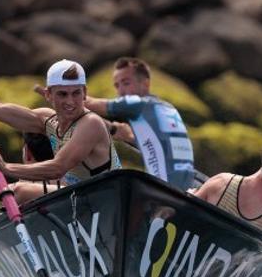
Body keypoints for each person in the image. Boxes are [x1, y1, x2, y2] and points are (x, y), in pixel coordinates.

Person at [0, 51, 120, 203]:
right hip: (82, 199)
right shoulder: (47, 120)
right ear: (48, 95)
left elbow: (57, 167)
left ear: (85, 93)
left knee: (18, 190)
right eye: (62, 94)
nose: (70, 101)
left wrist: (7, 167)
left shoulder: (91, 124)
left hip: (109, 200)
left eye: (76, 93)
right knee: (19, 188)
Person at [80, 57, 196, 192]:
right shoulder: (167, 108)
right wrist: (121, 132)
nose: (121, 91)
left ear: (145, 84)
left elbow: (88, 103)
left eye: (126, 83)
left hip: (165, 189)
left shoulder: (137, 103)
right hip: (187, 186)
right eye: (117, 85)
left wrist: (61, 89)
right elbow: (157, 143)